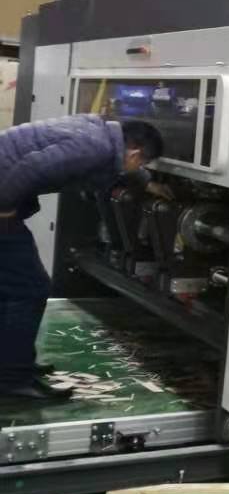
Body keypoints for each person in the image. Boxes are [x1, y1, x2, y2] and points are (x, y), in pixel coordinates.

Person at [0, 115, 164, 402]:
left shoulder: (99, 133)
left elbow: (117, 165)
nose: (140, 168)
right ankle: (12, 379)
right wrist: (5, 212)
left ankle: (13, 362)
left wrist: (147, 182)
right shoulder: (93, 148)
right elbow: (28, 169)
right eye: (143, 164)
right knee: (30, 288)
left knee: (11, 288)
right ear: (135, 153)